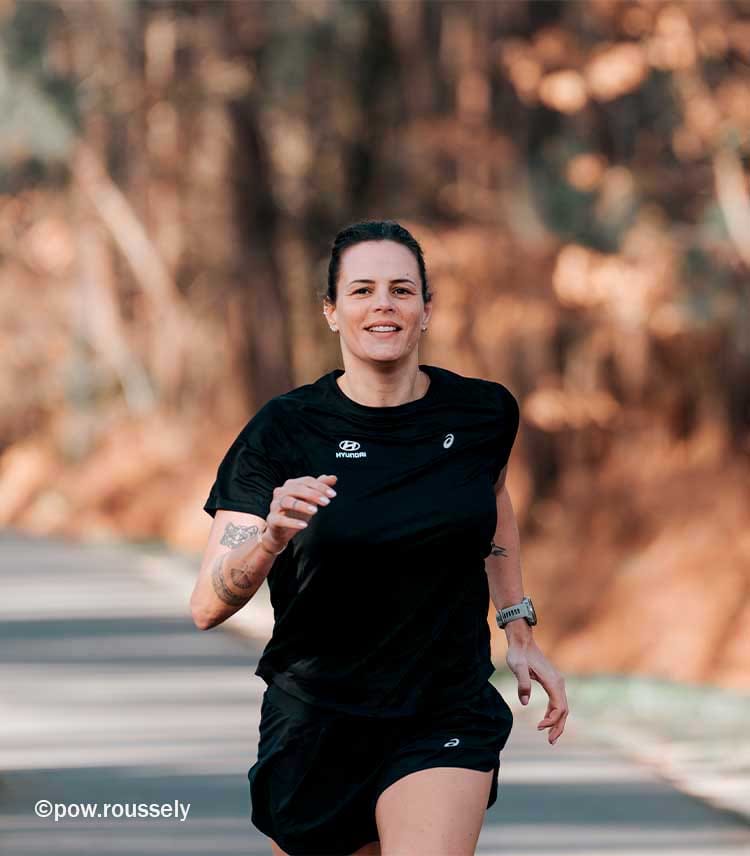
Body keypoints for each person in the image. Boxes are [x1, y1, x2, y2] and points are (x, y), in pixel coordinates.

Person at [191, 220, 569, 856]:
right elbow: (207, 606)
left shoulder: (482, 414)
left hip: (444, 706)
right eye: (362, 291)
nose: (384, 305)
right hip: (316, 716)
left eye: (401, 289)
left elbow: (493, 498)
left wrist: (518, 628)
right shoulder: (284, 431)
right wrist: (271, 538)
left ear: (426, 309)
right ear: (332, 312)